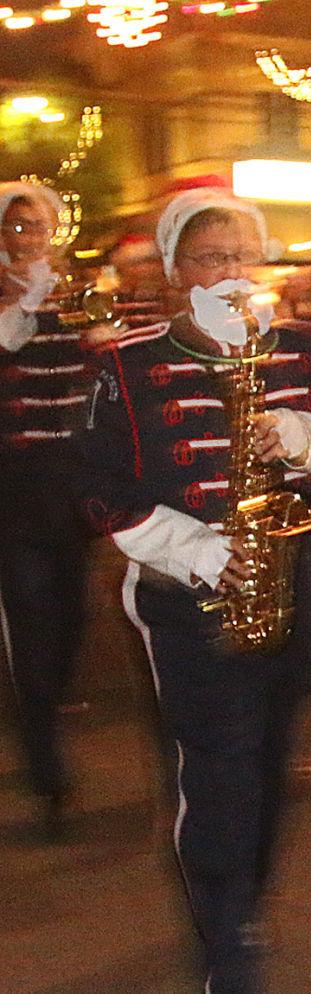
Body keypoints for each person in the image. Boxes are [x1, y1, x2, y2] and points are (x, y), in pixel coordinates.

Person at [74, 187, 311, 994]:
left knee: (271, 757)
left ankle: (247, 897)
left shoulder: (304, 344)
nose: (231, 271)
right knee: (217, 764)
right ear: (176, 271)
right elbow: (96, 487)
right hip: (183, 589)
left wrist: (306, 438)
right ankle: (226, 928)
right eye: (210, 257)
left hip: (296, 579)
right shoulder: (127, 363)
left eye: (241, 255)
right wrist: (196, 548)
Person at [0, 180, 92, 839]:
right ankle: (48, 771)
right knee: (30, 629)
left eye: (36, 226)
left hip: (71, 487)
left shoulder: (73, 294)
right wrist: (22, 304)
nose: (26, 237)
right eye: (14, 227)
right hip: (11, 488)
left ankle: (41, 709)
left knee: (69, 624)